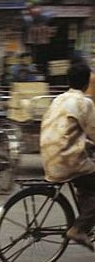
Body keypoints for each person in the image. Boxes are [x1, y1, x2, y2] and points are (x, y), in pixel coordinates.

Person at [40, 62, 95, 251]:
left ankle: (84, 219)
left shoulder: (59, 99)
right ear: (87, 82)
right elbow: (93, 131)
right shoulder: (84, 102)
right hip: (68, 161)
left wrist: (87, 144)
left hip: (50, 157)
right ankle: (79, 229)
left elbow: (67, 131)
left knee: (87, 183)